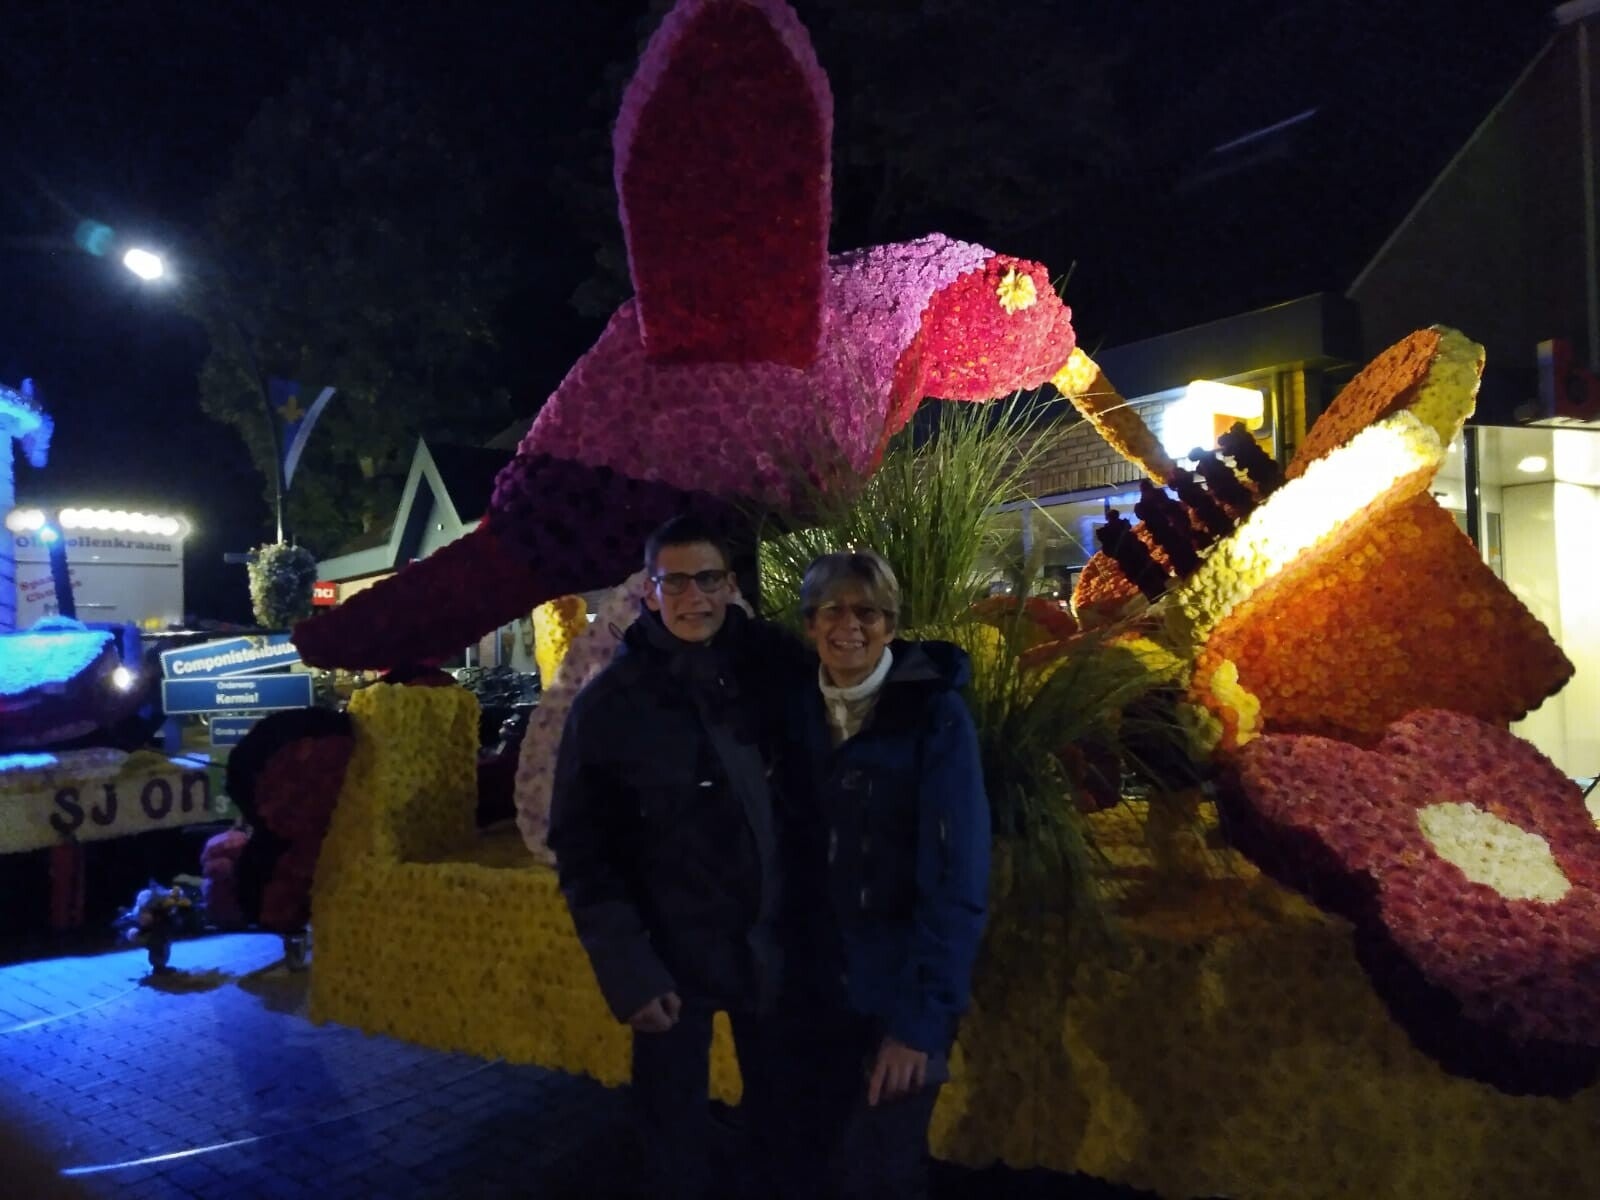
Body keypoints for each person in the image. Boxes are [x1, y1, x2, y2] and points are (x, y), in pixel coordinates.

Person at [548, 514, 805, 1200]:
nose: (695, 597)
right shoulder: (611, 705)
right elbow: (582, 846)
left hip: (769, 947)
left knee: (786, 1127)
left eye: (709, 578)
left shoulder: (774, 671)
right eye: (677, 582)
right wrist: (629, 971)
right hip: (670, 957)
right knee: (673, 1144)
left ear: (730, 584)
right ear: (651, 591)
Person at [785, 550, 990, 1199]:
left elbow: (957, 874)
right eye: (832, 610)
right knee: (818, 1162)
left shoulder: (933, 715)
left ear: (891, 625)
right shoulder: (792, 713)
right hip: (818, 991)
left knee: (881, 1168)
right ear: (810, 624)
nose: (849, 625)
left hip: (900, 987)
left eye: (867, 612)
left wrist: (919, 1022)